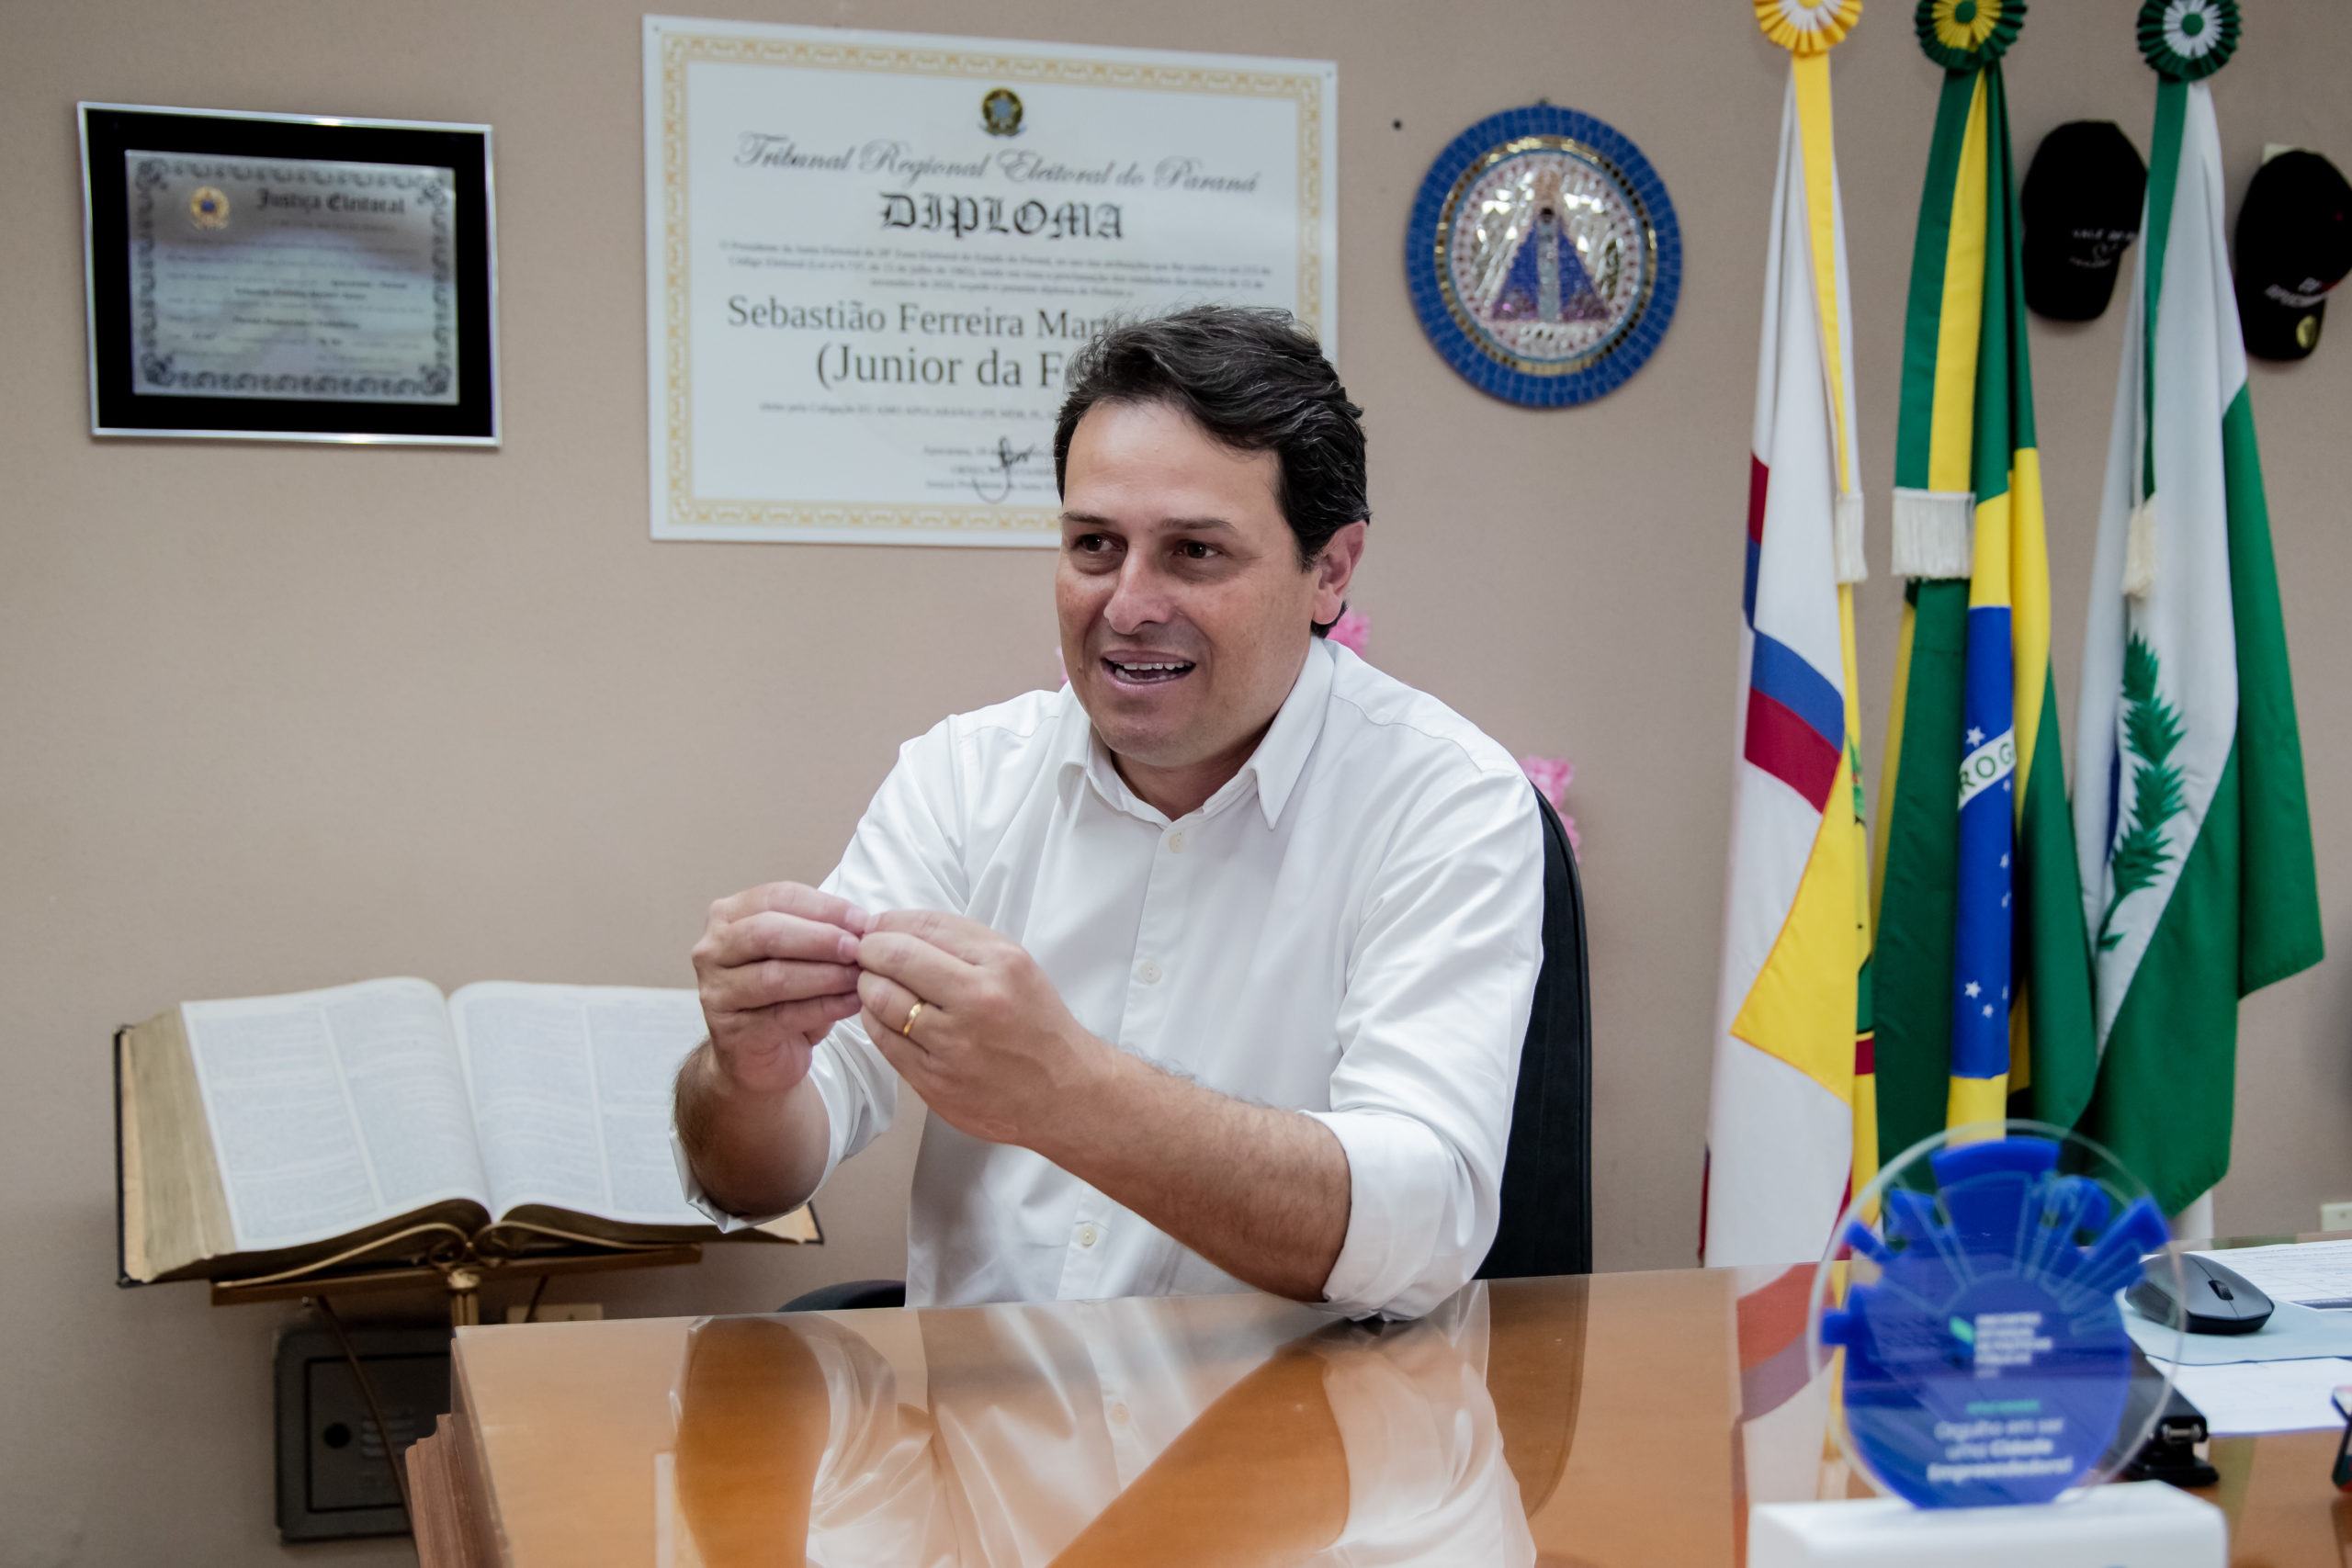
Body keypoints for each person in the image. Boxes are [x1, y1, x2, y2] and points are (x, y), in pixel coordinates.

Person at [673, 306, 1543, 1320]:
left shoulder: (1445, 801)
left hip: (1308, 1414)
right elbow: (755, 1179)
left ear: (1332, 570)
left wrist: (1069, 1093)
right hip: (986, 1411)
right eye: (1094, 545)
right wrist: (748, 1077)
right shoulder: (965, 777)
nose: (1127, 606)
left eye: (1195, 553)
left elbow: (1420, 1229)